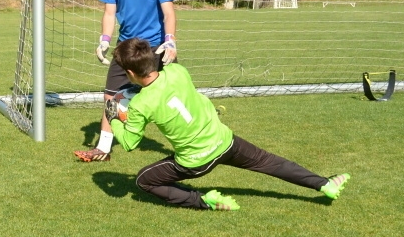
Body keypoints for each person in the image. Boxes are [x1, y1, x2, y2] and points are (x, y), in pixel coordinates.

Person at [106, 38, 350, 211]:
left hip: (196, 161)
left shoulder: (140, 105)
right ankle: (325, 184)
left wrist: (113, 117)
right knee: (270, 162)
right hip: (225, 141)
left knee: (143, 180)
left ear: (130, 72)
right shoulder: (179, 72)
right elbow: (162, 74)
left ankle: (204, 201)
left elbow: (129, 143)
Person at [75, 0, 178, 162]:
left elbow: (169, 13)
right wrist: (104, 40)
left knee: (171, 98)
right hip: (127, 47)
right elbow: (110, 13)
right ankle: (102, 149)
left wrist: (170, 42)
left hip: (156, 48)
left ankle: (185, 143)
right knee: (111, 97)